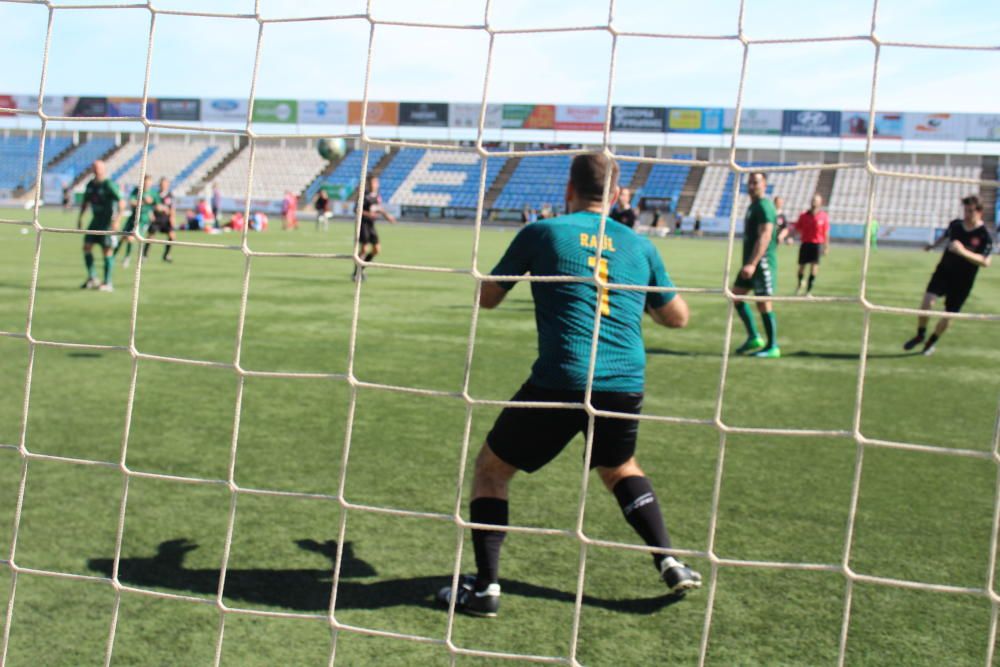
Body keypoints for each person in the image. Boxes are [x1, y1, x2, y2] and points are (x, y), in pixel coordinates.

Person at [436, 153, 700, 618]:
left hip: (563, 378)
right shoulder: (640, 247)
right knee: (618, 467)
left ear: (567, 191)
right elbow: (677, 318)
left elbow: (488, 298)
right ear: (619, 196)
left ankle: (486, 589)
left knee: (491, 470)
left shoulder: (542, 232)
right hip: (623, 380)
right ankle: (669, 559)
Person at [902, 195, 992, 356]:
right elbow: (945, 236)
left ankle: (931, 342)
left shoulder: (984, 235)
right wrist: (932, 246)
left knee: (948, 315)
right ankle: (920, 334)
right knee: (927, 302)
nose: (967, 214)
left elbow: (985, 262)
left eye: (970, 211)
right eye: (965, 210)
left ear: (980, 213)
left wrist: (962, 251)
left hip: (963, 281)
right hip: (943, 272)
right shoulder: (956, 225)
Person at [732, 171, 780, 358]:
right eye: (750, 182)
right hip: (750, 263)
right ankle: (753, 337)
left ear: (765, 185)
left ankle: (773, 346)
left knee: (764, 304)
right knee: (736, 297)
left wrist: (752, 263)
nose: (752, 186)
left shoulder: (765, 206)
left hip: (761, 263)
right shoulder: (753, 206)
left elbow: (766, 234)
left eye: (756, 182)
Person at [77, 160, 122, 292]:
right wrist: (80, 217)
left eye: (99, 168)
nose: (96, 170)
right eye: (94, 167)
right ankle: (92, 277)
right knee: (86, 247)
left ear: (104, 169)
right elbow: (85, 202)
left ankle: (108, 282)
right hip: (95, 221)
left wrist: (117, 220)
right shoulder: (90, 185)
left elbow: (122, 202)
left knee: (107, 250)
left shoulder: (109, 184)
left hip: (107, 223)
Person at [354, 174, 396, 281]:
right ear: (368, 184)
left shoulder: (376, 196)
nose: (375, 185)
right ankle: (356, 273)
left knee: (376, 249)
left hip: (371, 225)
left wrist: (387, 216)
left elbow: (379, 208)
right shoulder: (364, 195)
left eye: (376, 182)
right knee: (364, 249)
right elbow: (356, 210)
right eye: (373, 182)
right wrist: (369, 214)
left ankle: (361, 268)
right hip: (363, 224)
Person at [117, 174, 160, 268]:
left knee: (131, 238)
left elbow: (158, 206)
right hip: (133, 217)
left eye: (149, 182)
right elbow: (132, 202)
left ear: (151, 183)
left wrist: (153, 207)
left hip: (143, 220)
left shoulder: (153, 193)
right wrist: (143, 201)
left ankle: (127, 258)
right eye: (145, 182)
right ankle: (113, 255)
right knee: (123, 236)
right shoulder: (137, 190)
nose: (147, 184)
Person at [794, 194, 830, 296]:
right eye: (813, 200)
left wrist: (826, 246)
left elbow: (826, 232)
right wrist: (791, 237)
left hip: (817, 244)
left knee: (814, 268)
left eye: (816, 200)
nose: (814, 202)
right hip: (805, 243)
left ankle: (808, 291)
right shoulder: (803, 215)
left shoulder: (824, 216)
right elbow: (797, 228)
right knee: (801, 267)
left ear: (820, 203)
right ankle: (799, 284)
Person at [145, 176, 176, 262]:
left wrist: (172, 218)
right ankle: (145, 255)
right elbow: (149, 206)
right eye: (162, 184)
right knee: (150, 237)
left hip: (166, 220)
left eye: (165, 184)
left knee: (172, 236)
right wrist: (152, 213)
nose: (164, 186)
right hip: (156, 219)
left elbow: (172, 208)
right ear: (159, 185)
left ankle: (166, 255)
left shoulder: (170, 195)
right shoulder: (155, 194)